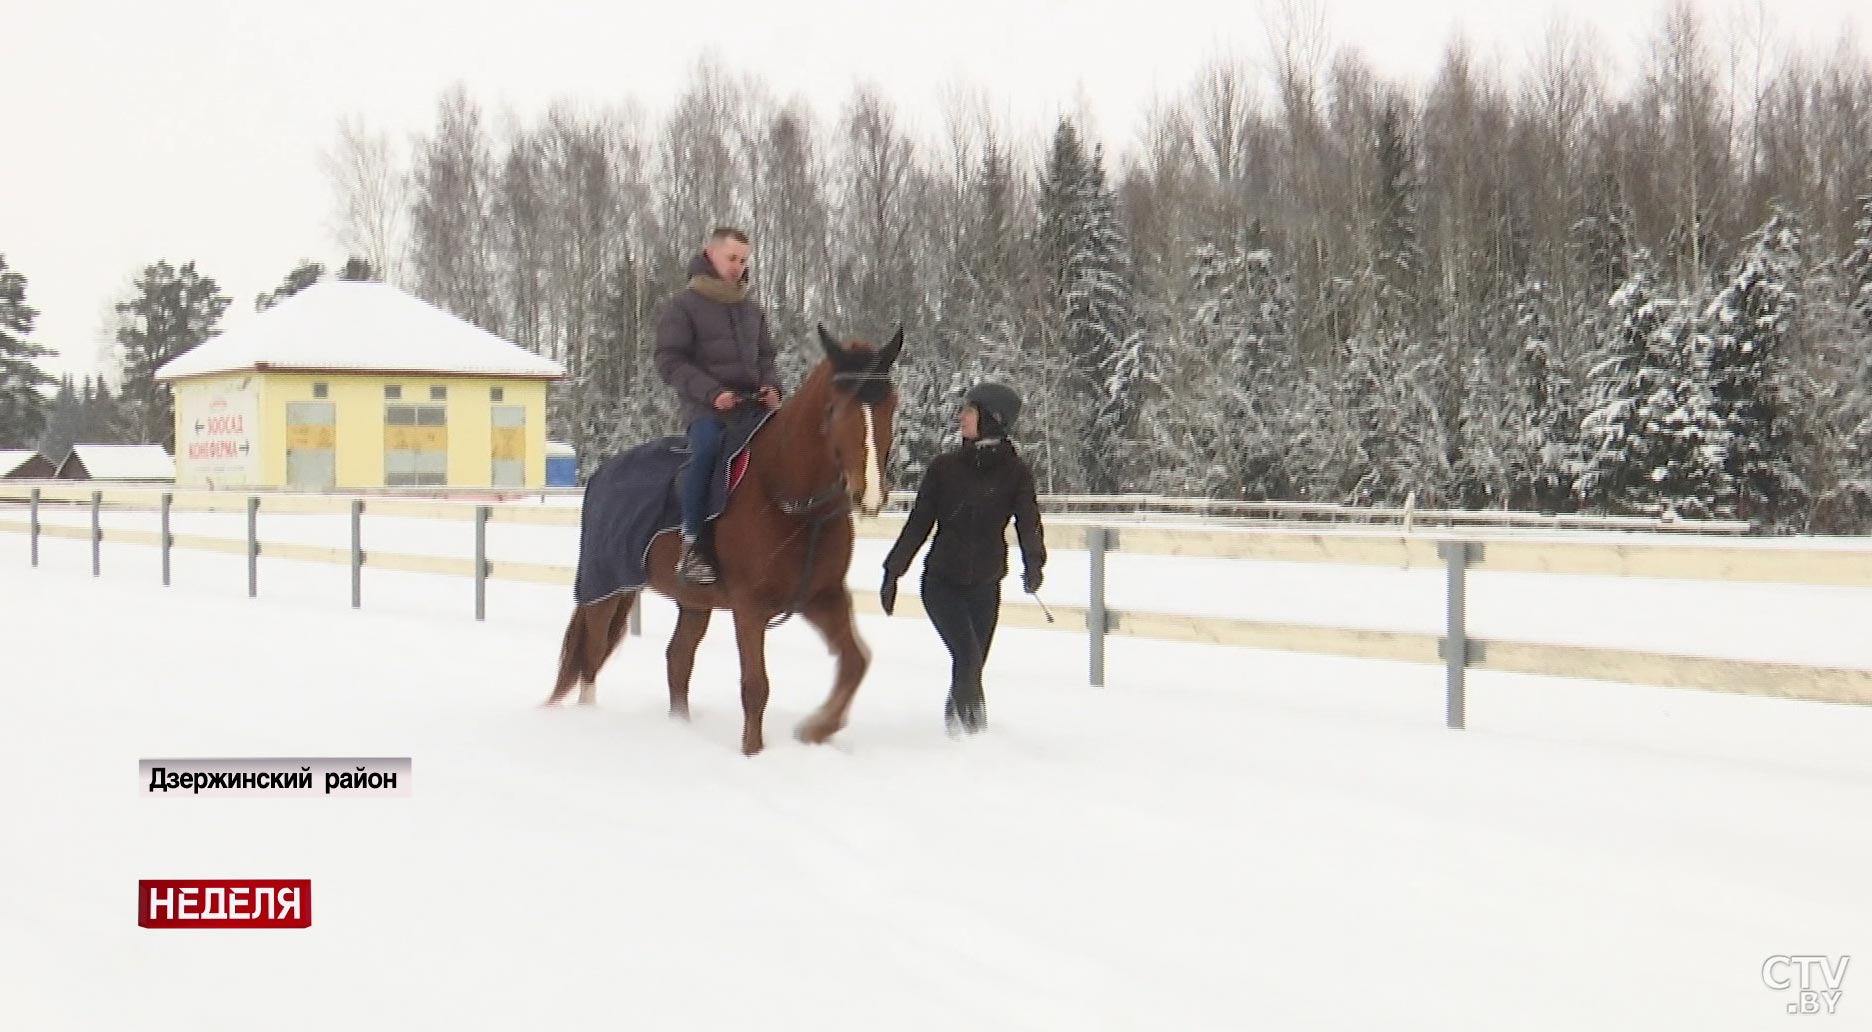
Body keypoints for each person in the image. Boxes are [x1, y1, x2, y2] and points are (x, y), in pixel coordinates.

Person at [880, 381, 1046, 735]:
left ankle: (958, 739)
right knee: (968, 658)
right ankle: (972, 739)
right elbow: (919, 523)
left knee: (971, 666)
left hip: (986, 586)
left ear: (991, 419)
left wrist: (1034, 564)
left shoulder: (1016, 473)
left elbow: (1029, 522)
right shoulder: (945, 468)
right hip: (942, 584)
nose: (962, 417)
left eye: (969, 412)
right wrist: (893, 571)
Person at [653, 226, 783, 586]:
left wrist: (772, 386)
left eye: (744, 260)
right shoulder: (683, 306)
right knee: (707, 452)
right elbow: (669, 361)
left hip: (754, 409)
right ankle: (692, 544)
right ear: (710, 255)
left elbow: (767, 357)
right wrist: (712, 394)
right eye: (732, 258)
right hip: (707, 410)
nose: (738, 267)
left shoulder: (752, 311)